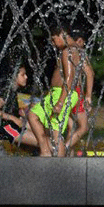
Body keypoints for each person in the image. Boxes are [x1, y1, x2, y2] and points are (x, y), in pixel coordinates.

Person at [27, 23, 80, 157]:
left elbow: (69, 78)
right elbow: (89, 72)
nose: (52, 43)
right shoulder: (76, 49)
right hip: (59, 93)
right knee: (34, 116)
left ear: (62, 35)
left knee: (55, 131)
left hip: (63, 94)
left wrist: (61, 102)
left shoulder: (67, 51)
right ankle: (45, 151)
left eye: (53, 39)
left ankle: (58, 164)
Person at [0, 64, 40, 148]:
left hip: (13, 124)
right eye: (23, 75)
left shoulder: (13, 90)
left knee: (41, 133)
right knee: (40, 141)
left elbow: (8, 108)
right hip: (6, 128)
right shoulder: (6, 91)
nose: (26, 77)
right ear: (14, 77)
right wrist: (13, 118)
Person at [64, 26, 95, 155]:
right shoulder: (78, 52)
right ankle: (61, 150)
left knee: (71, 129)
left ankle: (68, 159)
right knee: (83, 127)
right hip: (74, 92)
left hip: (62, 92)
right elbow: (90, 73)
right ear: (80, 41)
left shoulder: (64, 51)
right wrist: (88, 96)